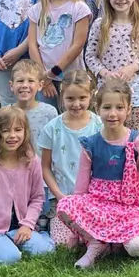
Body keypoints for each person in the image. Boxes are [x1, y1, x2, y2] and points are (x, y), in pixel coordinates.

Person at [55, 79, 139, 268]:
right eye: (107, 107)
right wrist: (77, 229)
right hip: (99, 205)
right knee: (64, 205)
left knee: (137, 247)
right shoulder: (91, 144)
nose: (113, 114)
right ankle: (97, 243)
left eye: (119, 108)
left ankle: (116, 240)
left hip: (128, 209)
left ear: (128, 110)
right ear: (98, 109)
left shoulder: (138, 142)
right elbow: (81, 189)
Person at [0, 106, 54, 264]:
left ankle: (39, 236)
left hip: (21, 225)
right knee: (10, 258)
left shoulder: (31, 161)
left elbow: (37, 198)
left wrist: (27, 225)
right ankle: (0, 244)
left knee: (44, 251)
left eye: (18, 130)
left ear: (25, 132)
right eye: (5, 130)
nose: (12, 136)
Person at [84, 0, 139, 131]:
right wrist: (104, 72)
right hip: (107, 91)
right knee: (107, 134)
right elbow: (90, 56)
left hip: (134, 93)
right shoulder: (100, 25)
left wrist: (134, 67)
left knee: (133, 137)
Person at [40, 69, 103, 246]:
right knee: (63, 243)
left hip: (93, 197)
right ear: (62, 96)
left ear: (91, 96)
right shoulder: (52, 128)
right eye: (70, 99)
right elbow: (45, 167)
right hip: (63, 197)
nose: (76, 104)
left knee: (93, 235)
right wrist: (59, 195)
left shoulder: (99, 125)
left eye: (82, 98)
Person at [27, 0, 91, 103]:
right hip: (43, 78)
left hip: (72, 77)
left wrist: (53, 72)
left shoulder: (79, 9)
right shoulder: (37, 10)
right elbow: (32, 44)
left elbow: (78, 45)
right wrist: (43, 76)